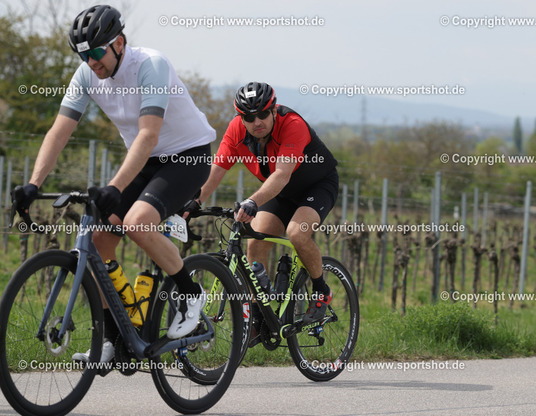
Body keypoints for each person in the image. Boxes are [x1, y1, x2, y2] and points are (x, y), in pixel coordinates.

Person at [11, 5, 213, 363]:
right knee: (99, 241)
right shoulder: (86, 75)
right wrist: (33, 183)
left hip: (187, 156)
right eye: (83, 55)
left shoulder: (151, 65)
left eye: (95, 52)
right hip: (144, 160)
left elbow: (148, 135)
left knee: (137, 223)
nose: (91, 62)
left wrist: (115, 187)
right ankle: (113, 338)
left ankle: (191, 292)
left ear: (119, 43)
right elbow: (59, 131)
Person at [191, 81, 339, 324]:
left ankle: (321, 290)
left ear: (273, 111)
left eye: (262, 114)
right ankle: (260, 317)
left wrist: (252, 201)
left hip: (316, 186)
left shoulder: (292, 124)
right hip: (279, 192)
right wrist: (194, 201)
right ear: (241, 118)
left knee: (297, 233)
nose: (256, 122)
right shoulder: (236, 131)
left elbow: (281, 174)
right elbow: (216, 170)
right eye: (249, 118)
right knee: (256, 240)